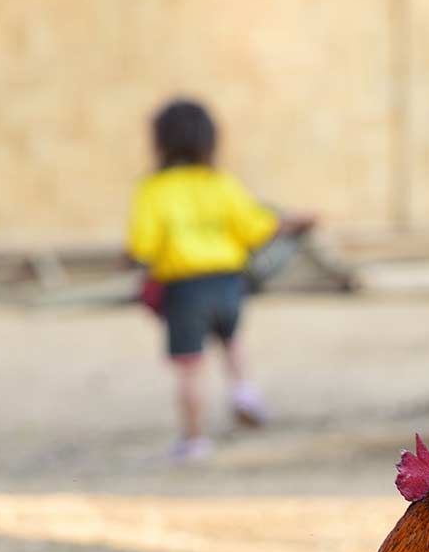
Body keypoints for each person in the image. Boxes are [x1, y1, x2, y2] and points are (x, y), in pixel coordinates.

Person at [127, 98, 313, 460]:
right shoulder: (222, 184)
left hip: (185, 285)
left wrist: (141, 259)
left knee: (190, 365)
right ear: (209, 141)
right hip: (228, 280)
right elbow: (253, 226)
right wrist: (288, 223)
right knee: (231, 338)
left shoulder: (153, 190)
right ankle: (244, 391)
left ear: (160, 142)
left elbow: (142, 245)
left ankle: (195, 439)